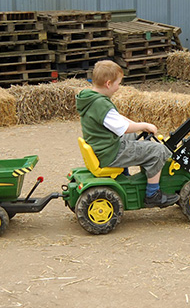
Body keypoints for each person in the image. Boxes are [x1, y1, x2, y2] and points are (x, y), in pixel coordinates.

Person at [76, 60, 178, 207]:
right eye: (118, 83)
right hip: (109, 153)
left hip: (101, 146)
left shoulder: (90, 98)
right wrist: (144, 125)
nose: (119, 87)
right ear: (108, 84)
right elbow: (123, 128)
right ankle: (153, 194)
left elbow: (116, 119)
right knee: (158, 150)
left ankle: (125, 175)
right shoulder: (101, 104)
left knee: (132, 137)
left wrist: (136, 125)